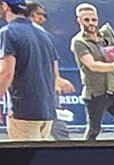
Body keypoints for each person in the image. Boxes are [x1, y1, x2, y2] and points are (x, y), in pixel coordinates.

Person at [0, 0, 68, 139]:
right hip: (47, 112)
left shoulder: (7, 32)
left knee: (22, 159)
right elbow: (54, 70)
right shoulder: (45, 34)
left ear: (5, 6)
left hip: (23, 111)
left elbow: (6, 73)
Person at [70, 2, 114, 139]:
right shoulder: (79, 42)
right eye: (86, 20)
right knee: (94, 129)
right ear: (79, 20)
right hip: (96, 92)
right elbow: (92, 65)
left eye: (93, 19)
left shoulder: (105, 36)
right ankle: (84, 155)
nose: (91, 23)